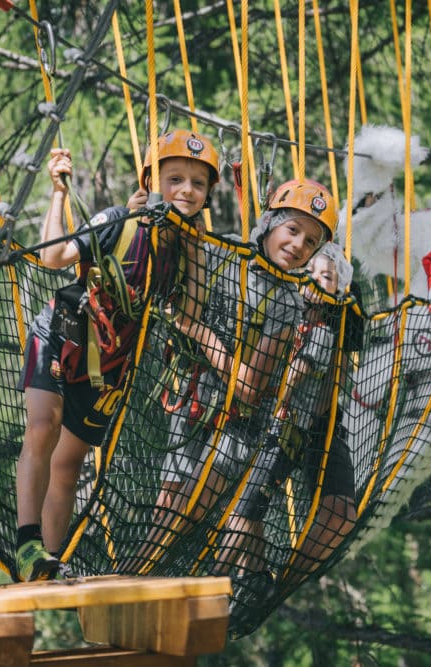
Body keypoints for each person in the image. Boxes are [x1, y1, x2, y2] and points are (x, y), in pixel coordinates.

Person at [14, 128, 221, 582]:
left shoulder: (187, 252)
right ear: (152, 182)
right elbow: (53, 257)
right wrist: (58, 193)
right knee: (42, 428)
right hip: (63, 332)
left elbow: (190, 312)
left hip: (107, 367)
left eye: (197, 184)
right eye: (175, 179)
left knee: (68, 467)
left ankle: (48, 562)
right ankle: (27, 543)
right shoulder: (119, 222)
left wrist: (195, 245)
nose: (186, 190)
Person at [127, 179, 338, 576]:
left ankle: (144, 579)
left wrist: (201, 333)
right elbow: (184, 277)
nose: (297, 246)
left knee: (187, 512)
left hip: (240, 422)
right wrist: (143, 212)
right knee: (167, 505)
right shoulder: (224, 255)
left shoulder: (288, 304)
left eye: (310, 243)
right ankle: (133, 580)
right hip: (195, 400)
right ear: (271, 224)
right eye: (292, 231)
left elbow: (248, 386)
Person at [217, 242, 359, 615]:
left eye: (325, 277)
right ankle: (252, 577)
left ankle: (232, 582)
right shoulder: (285, 313)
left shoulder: (326, 330)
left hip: (292, 424)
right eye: (309, 274)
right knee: (245, 512)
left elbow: (302, 376)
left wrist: (282, 401)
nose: (314, 282)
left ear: (338, 292)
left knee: (244, 513)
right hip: (274, 421)